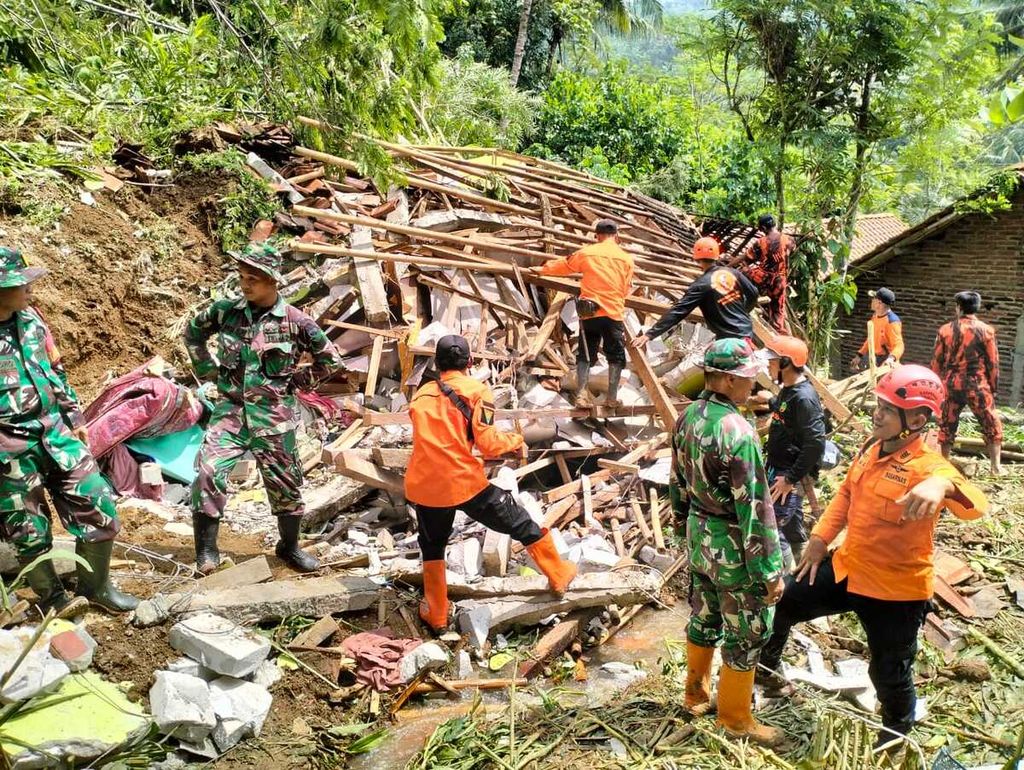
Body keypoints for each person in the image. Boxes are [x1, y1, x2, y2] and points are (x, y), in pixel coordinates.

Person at [758, 365, 988, 752]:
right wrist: (819, 539)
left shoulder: (929, 467)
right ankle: (767, 670)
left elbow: (976, 504)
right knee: (785, 599)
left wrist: (943, 483)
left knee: (889, 673)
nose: (876, 414)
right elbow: (847, 493)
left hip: (894, 591)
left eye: (887, 409)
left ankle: (896, 734)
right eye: (878, 405)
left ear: (916, 419)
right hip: (849, 567)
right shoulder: (871, 447)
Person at [185, 243, 342, 575]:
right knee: (207, 473)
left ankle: (289, 547)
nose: (245, 284)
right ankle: (207, 551)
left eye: (253, 278)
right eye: (242, 277)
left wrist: (295, 386)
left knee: (286, 485)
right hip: (231, 411)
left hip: (273, 416)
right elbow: (193, 333)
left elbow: (330, 360)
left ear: (273, 281)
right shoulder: (225, 311)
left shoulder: (295, 321)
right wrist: (210, 371)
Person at [405, 335, 577, 632]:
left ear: (437, 363)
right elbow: (487, 443)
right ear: (469, 363)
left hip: (424, 484)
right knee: (519, 521)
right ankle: (559, 573)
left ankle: (436, 613)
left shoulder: (420, 396)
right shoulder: (477, 391)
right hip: (461, 480)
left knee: (433, 546)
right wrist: (517, 439)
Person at [0, 246, 137, 614]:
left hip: (56, 435)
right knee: (28, 531)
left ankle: (96, 589)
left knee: (99, 504)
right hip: (8, 451)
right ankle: (53, 600)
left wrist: (75, 419)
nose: (30, 289)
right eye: (21, 284)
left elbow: (55, 371)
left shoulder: (32, 320)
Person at [670, 337, 785, 747]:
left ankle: (694, 695)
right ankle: (735, 719)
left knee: (704, 616)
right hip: (734, 546)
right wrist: (770, 570)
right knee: (747, 629)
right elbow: (755, 508)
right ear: (728, 379)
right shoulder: (738, 432)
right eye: (748, 375)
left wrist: (683, 525)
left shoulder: (689, 417)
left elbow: (677, 482)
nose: (754, 382)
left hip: (700, 537)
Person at [538, 219, 634, 408]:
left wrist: (542, 270)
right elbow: (625, 289)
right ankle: (612, 398)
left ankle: (581, 395)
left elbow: (565, 266)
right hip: (613, 313)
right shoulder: (626, 259)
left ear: (597, 235)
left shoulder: (587, 253)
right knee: (615, 356)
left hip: (589, 312)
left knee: (585, 354)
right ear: (616, 236)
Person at [748, 334, 826, 568]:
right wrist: (770, 400)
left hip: (788, 473)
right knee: (792, 525)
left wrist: (790, 479)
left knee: (772, 527)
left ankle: (784, 581)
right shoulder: (788, 391)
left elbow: (815, 444)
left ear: (786, 363)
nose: (769, 366)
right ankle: (801, 564)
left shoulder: (804, 398)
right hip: (780, 468)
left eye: (772, 362)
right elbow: (784, 409)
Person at [632, 237, 759, 349]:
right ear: (717, 255)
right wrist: (743, 312)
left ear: (696, 258)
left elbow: (678, 311)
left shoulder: (701, 285)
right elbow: (753, 293)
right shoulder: (733, 273)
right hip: (747, 332)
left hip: (729, 340)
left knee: (711, 368)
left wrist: (650, 334)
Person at [931, 291, 1004, 475]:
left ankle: (943, 466)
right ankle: (996, 467)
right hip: (977, 386)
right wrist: (993, 388)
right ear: (977, 307)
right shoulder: (986, 331)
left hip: (950, 385)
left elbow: (937, 361)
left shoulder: (945, 330)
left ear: (959, 307)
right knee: (991, 424)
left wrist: (936, 387)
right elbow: (992, 363)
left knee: (947, 425)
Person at [738, 214, 795, 334]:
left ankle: (743, 301)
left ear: (763, 228)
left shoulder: (761, 242)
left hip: (763, 279)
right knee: (777, 309)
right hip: (780, 280)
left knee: (742, 271)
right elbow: (788, 255)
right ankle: (778, 330)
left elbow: (747, 258)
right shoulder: (789, 240)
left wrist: (730, 266)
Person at [851, 288, 904, 370]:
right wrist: (859, 355)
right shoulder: (875, 317)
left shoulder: (892, 321)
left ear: (879, 303)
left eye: (873, 298)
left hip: (886, 362)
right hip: (874, 359)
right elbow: (871, 339)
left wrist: (891, 359)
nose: (871, 300)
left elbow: (899, 345)